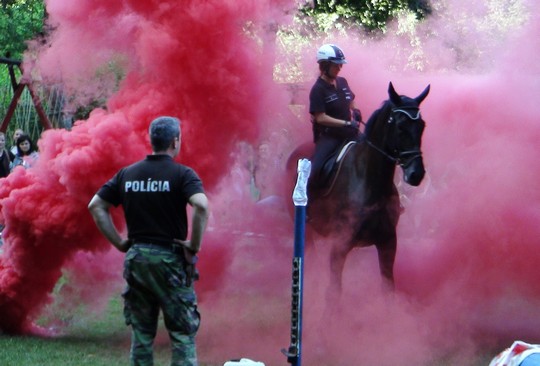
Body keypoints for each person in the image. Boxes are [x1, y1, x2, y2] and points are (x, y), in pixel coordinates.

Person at [88, 116, 209, 366]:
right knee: (182, 334)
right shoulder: (182, 174)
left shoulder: (128, 174)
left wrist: (120, 243)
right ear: (175, 141)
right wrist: (194, 245)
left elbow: (96, 206)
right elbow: (201, 206)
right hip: (170, 261)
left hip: (138, 258)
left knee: (141, 335)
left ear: (151, 140)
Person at [308, 43, 362, 188]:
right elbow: (320, 117)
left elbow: (350, 99)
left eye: (340, 65)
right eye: (336, 65)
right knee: (315, 170)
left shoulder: (342, 82)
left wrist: (355, 111)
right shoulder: (318, 89)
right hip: (329, 137)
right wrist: (346, 123)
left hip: (350, 132)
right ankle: (309, 203)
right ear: (325, 66)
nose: (339, 68)